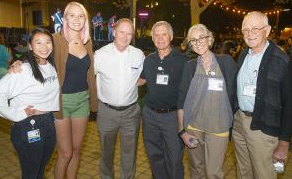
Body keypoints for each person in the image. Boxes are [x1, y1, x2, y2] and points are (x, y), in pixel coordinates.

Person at [9, 2, 98, 179]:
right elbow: (39, 52)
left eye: (80, 16)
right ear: (64, 18)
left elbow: (89, 73)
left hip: (82, 101)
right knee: (65, 153)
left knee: (76, 150)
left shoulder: (87, 42)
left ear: (85, 19)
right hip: (61, 102)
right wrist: (20, 62)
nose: (76, 19)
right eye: (71, 15)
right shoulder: (56, 40)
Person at [0, 28, 59, 178]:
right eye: (38, 42)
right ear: (30, 46)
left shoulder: (51, 66)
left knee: (39, 170)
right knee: (31, 173)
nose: (44, 47)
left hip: (48, 122)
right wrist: (17, 114)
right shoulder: (24, 70)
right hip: (29, 125)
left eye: (47, 42)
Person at [232, 11, 292, 179]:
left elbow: (290, 104)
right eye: (245, 29)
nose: (250, 33)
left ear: (267, 31)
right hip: (240, 123)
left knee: (263, 174)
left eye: (255, 28)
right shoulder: (243, 54)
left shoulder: (280, 60)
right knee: (243, 172)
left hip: (262, 129)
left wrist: (284, 142)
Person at [177, 24, 237, 178]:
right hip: (193, 127)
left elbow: (236, 92)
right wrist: (182, 130)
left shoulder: (226, 63)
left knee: (213, 173)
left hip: (219, 127)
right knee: (197, 169)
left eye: (201, 38)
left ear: (209, 39)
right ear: (190, 45)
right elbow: (181, 99)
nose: (198, 42)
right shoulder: (189, 66)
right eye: (193, 40)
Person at [94, 18, 144, 179]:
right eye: (122, 32)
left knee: (130, 154)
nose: (125, 36)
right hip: (107, 112)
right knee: (106, 152)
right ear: (114, 31)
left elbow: (144, 77)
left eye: (129, 33)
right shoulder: (100, 55)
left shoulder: (139, 55)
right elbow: (87, 78)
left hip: (131, 113)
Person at [138, 21, 188, 179]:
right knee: (154, 156)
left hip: (172, 117)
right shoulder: (149, 60)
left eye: (164, 34)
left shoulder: (183, 61)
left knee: (174, 159)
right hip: (150, 116)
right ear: (152, 38)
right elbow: (140, 80)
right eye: (156, 35)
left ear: (171, 37)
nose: (160, 38)